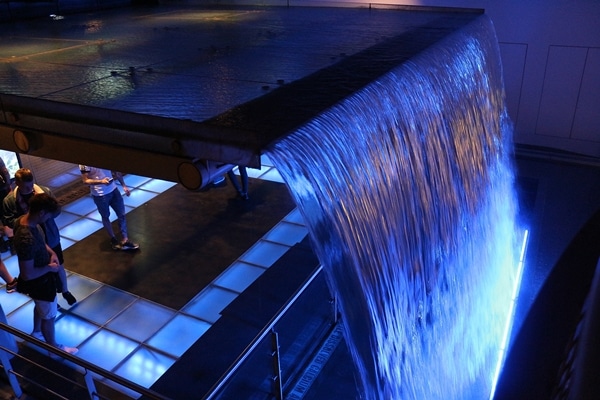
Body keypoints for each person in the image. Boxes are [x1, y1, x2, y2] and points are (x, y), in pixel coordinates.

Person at [13, 192, 78, 354]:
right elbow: (27, 273)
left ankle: (36, 332)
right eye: (48, 215)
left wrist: (51, 252)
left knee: (40, 307)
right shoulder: (26, 238)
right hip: (40, 283)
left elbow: (41, 243)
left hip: (41, 280)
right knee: (49, 316)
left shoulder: (24, 221)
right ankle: (53, 348)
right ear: (41, 212)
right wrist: (50, 267)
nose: (49, 219)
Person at [3, 168, 77, 305]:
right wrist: (26, 219)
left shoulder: (43, 191)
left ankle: (65, 291)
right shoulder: (10, 201)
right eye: (26, 186)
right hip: (33, 240)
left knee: (59, 264)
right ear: (17, 183)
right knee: (43, 270)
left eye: (31, 184)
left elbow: (56, 210)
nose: (30, 188)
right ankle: (52, 298)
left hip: (50, 235)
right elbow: (8, 220)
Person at [79, 165, 139, 251]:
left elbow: (116, 171)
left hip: (113, 190)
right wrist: (101, 181)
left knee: (121, 214)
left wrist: (124, 185)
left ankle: (125, 240)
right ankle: (113, 240)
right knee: (105, 216)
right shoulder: (84, 163)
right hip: (100, 195)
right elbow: (85, 180)